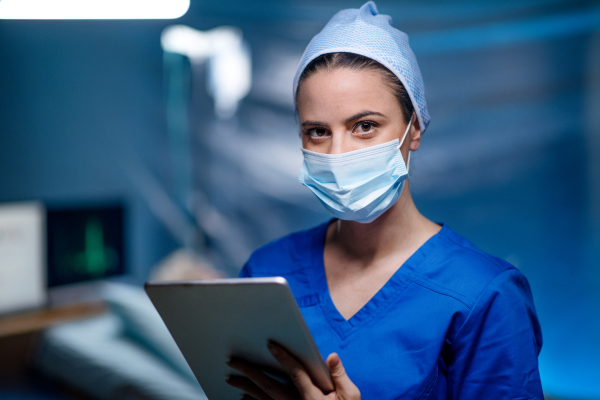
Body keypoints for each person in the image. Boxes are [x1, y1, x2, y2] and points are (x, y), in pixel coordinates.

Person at [226, 2, 544, 399]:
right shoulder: (267, 273)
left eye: (365, 126)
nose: (339, 152)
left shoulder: (484, 295)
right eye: (317, 131)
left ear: (414, 130)